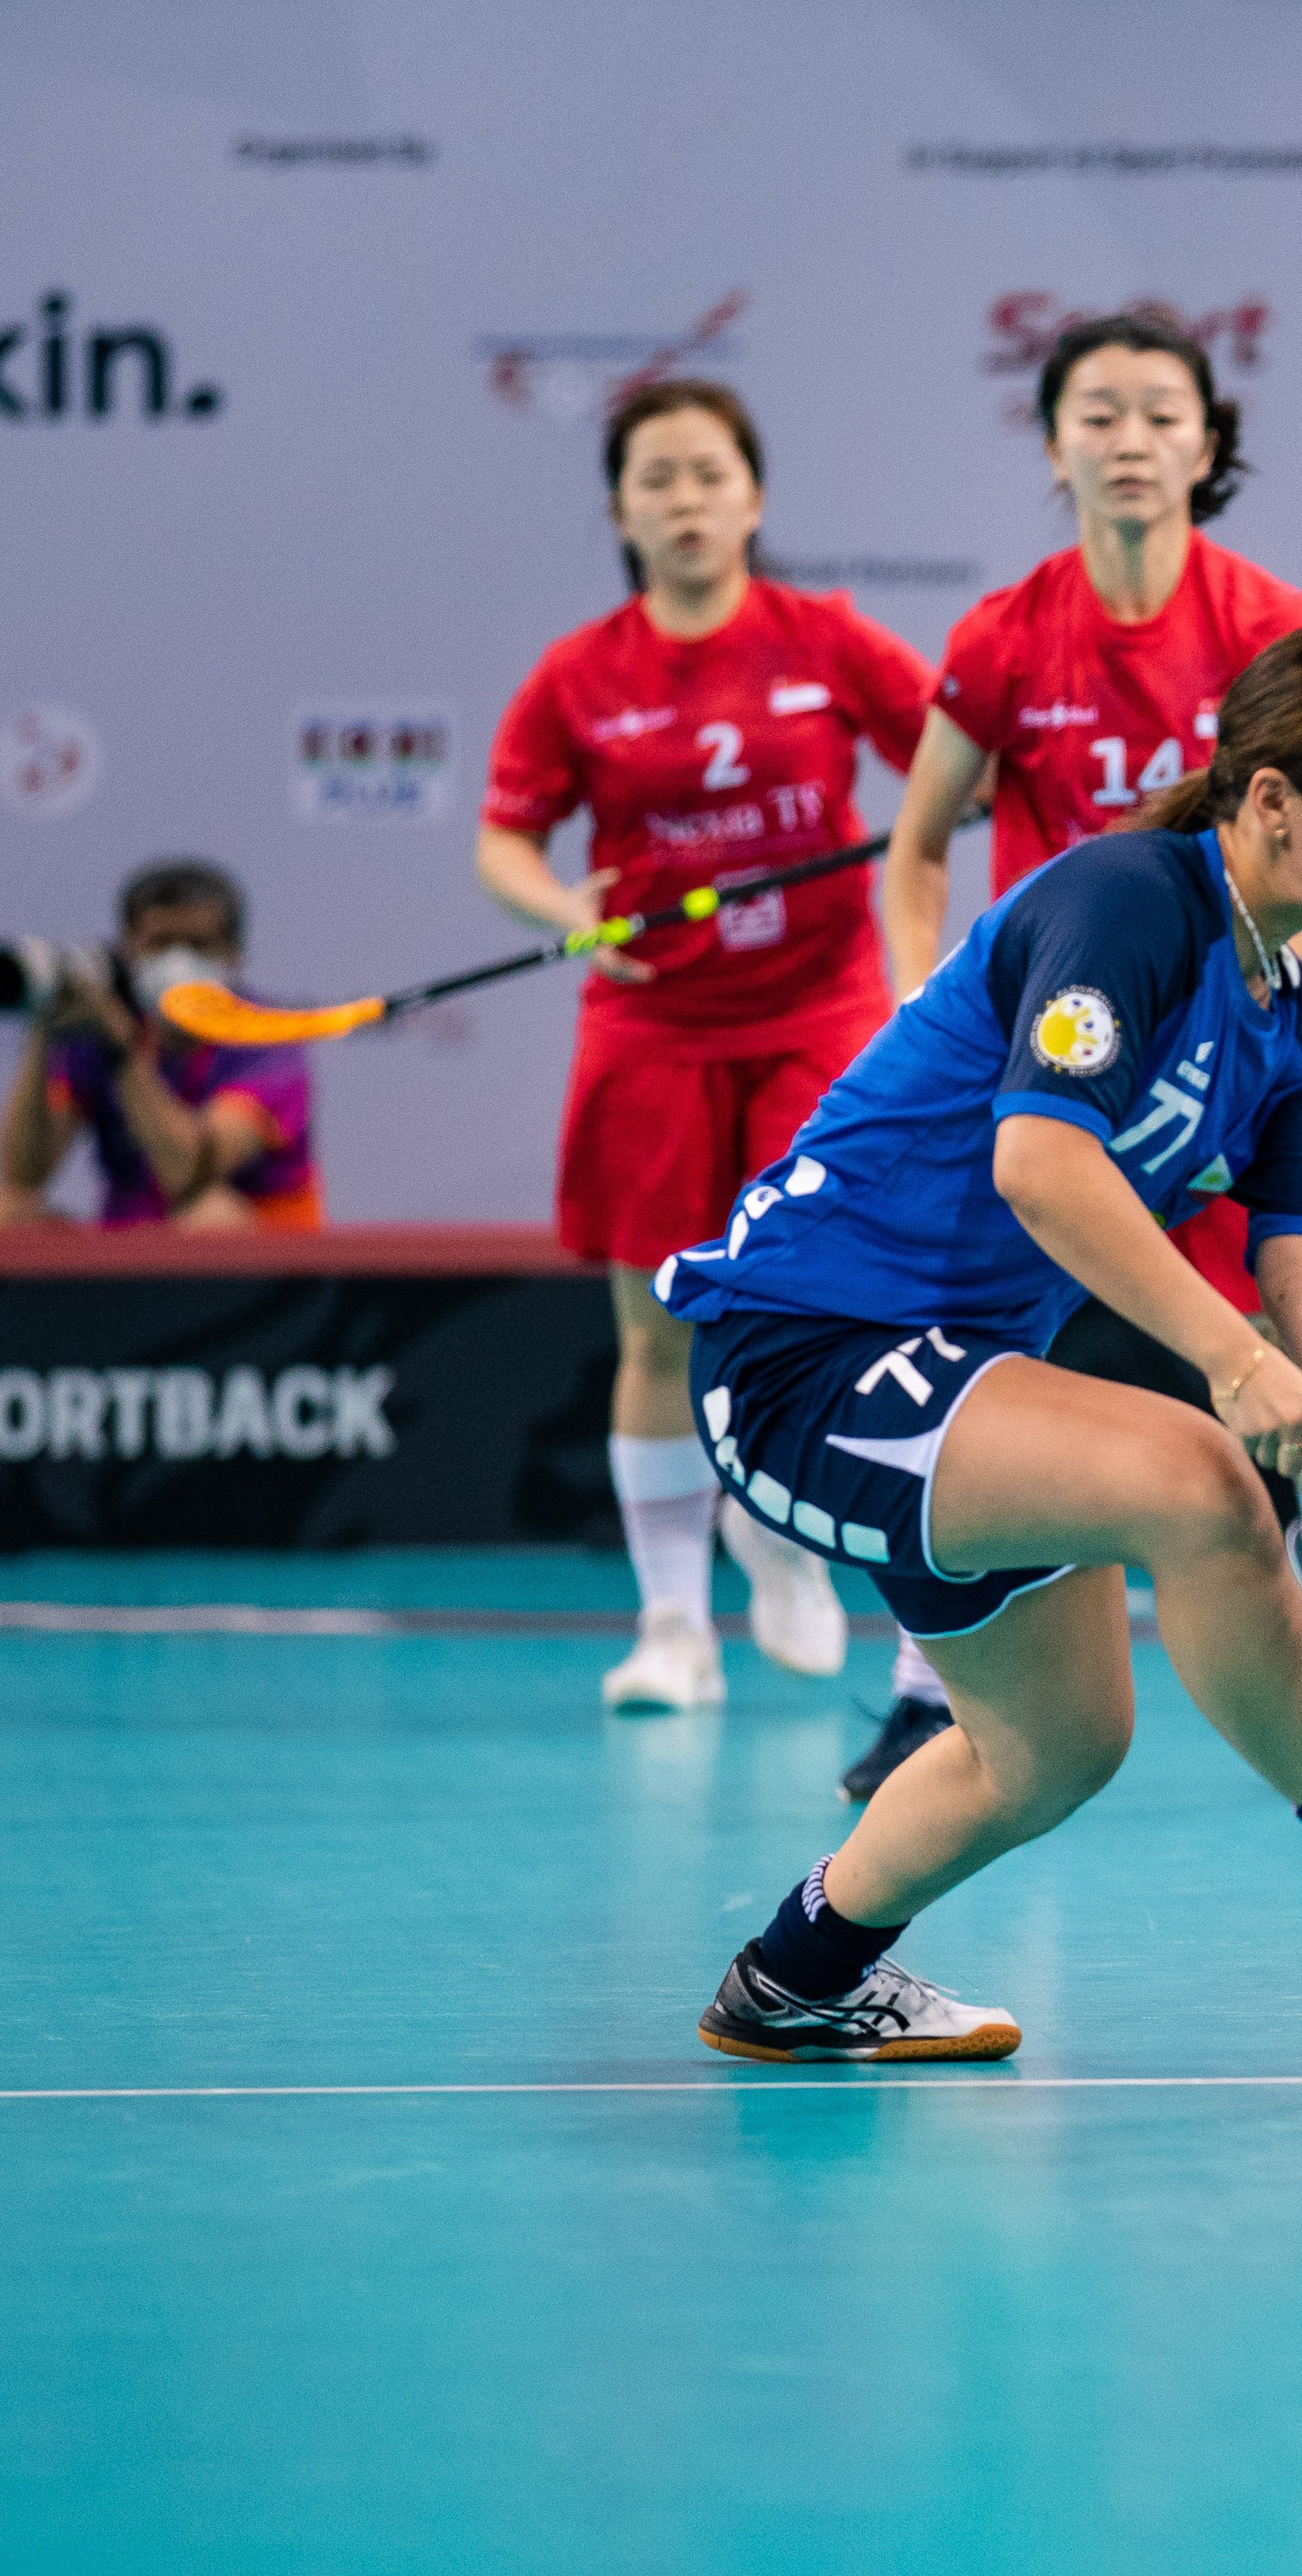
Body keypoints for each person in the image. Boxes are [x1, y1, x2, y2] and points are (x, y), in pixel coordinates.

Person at [672, 629, 1302, 2063]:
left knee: (1051, 1751)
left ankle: (794, 1983)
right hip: (804, 1351)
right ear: (1275, 797)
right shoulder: (1128, 900)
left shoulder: (1298, 1016)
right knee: (1203, 1480)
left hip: (961, 1387)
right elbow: (1044, 1160)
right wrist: (1236, 1367)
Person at [865, 310, 1302, 1788]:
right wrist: (932, 1011)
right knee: (971, 1353)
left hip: (1241, 1060)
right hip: (1073, 1067)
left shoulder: (1266, 627)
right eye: (1096, 414)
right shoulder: (1002, 636)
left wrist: (1255, 1010)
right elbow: (919, 848)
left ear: (1208, 446)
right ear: (1053, 446)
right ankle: (928, 1688)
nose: (1129, 439)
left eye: (1161, 414)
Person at [478, 378, 928, 1712]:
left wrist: (933, 849)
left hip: (821, 1012)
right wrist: (566, 914)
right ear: (621, 508)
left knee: (831, 1311)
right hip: (653, 1022)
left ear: (756, 496)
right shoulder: (578, 675)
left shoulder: (828, 640)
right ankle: (671, 1629)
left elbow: (950, 762)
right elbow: (506, 838)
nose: (686, 500)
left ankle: (786, 1532)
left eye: (709, 474)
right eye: (657, 479)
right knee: (655, 1330)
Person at [0, 859, 325, 1236]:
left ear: (234, 955)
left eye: (198, 945)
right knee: (4, 1216)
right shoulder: (102, 1023)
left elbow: (191, 1175)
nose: (178, 962)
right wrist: (43, 1028)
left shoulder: (268, 1038)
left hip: (266, 1265)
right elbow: (22, 1176)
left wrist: (122, 1052)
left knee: (210, 1217)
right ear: (128, 950)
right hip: (132, 1246)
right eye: (160, 943)